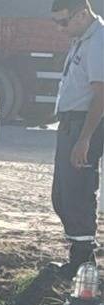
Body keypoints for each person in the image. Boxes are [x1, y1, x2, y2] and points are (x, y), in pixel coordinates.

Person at [49, 0, 104, 277]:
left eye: (64, 22)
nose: (60, 29)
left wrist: (84, 140)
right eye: (56, 23)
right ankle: (79, 256)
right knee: (61, 194)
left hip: (84, 124)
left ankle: (83, 262)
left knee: (78, 191)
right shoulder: (81, 36)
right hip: (70, 122)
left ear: (83, 14)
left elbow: (101, 94)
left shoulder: (98, 40)